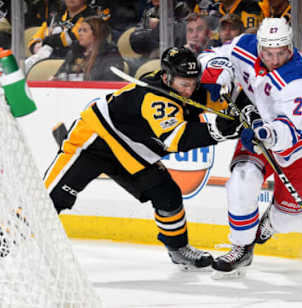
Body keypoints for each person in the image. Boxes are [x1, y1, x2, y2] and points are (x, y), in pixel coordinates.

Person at [43, 47, 242, 270]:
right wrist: (218, 131)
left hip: (133, 152)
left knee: (168, 196)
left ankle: (178, 249)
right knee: (51, 198)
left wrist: (246, 113)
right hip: (95, 141)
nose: (189, 89)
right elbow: (176, 138)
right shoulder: (155, 98)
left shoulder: (190, 89)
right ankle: (10, 237)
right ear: (166, 77)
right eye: (184, 84)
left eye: (193, 83)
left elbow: (225, 101)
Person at [198, 17, 302, 276]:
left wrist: (267, 133)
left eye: (281, 53)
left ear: (290, 47)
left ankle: (270, 220)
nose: (275, 59)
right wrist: (217, 72)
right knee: (241, 180)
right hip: (258, 126)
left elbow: (290, 130)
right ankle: (242, 248)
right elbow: (212, 54)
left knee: (287, 219)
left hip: (299, 146)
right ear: (260, 46)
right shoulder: (245, 45)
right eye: (268, 53)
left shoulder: (298, 80)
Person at [28, 0, 100, 58]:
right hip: (48, 59)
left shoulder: (90, 16)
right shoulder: (56, 15)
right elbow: (35, 39)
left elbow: (70, 39)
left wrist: (46, 41)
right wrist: (36, 47)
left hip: (76, 60)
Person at [53, 16, 124, 81]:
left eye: (84, 31)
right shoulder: (74, 52)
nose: (80, 34)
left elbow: (110, 83)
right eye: (79, 30)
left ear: (97, 34)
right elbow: (59, 75)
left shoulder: (110, 55)